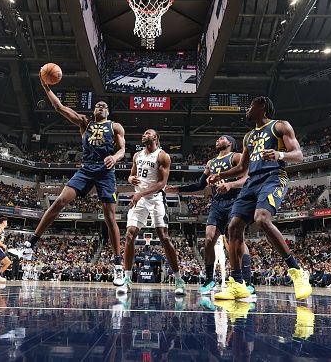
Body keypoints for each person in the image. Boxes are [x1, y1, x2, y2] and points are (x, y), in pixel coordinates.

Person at [22, 80, 126, 286]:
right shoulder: (84, 123)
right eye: (97, 105)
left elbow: (123, 149)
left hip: (106, 172)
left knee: (109, 216)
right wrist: (46, 88)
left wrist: (115, 157)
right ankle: (30, 244)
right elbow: (59, 108)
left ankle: (118, 265)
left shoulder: (115, 126)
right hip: (87, 168)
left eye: (104, 106)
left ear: (108, 112)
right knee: (60, 200)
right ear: (94, 110)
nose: (101, 107)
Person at [207, 96, 312, 300]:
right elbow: (242, 168)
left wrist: (279, 155)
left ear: (262, 106)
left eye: (250, 106)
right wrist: (221, 175)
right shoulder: (248, 137)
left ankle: (297, 272)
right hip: (252, 181)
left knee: (262, 218)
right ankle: (238, 283)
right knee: (233, 226)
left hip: (273, 177)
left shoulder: (279, 126)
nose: (247, 110)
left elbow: (298, 155)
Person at [167, 135, 253, 297]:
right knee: (208, 239)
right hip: (217, 203)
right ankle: (209, 280)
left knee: (237, 239)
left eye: (221, 139)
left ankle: (247, 282)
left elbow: (247, 178)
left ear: (229, 143)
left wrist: (230, 184)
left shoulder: (236, 156)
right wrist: (178, 189)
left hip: (236, 200)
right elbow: (200, 185)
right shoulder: (211, 163)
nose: (217, 141)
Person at [117, 129, 184, 295]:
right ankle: (127, 279)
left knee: (164, 237)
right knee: (129, 235)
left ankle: (178, 279)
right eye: (143, 133)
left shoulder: (162, 156)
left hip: (155, 199)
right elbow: (131, 175)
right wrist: (130, 179)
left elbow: (162, 183)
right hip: (139, 198)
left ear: (155, 137)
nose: (143, 134)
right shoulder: (137, 156)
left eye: (147, 133)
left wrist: (140, 193)